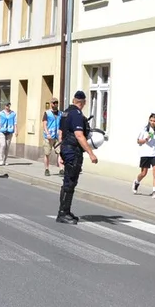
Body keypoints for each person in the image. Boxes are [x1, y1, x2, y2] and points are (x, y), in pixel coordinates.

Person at [56, 91, 97, 224]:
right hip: (73, 151)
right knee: (70, 181)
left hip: (66, 149)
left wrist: (61, 153)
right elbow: (79, 135)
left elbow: (61, 133)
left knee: (68, 180)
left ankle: (65, 211)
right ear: (83, 102)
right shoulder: (77, 115)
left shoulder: (65, 113)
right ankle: (63, 213)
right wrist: (91, 153)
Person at [133, 113, 155, 200]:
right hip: (145, 153)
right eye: (151, 120)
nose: (152, 122)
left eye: (154, 121)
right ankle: (136, 182)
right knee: (143, 173)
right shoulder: (144, 130)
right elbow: (138, 141)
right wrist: (146, 138)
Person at [42, 100, 61, 176]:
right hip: (49, 136)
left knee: (60, 153)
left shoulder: (60, 113)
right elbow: (44, 124)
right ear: (51, 104)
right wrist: (47, 134)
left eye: (56, 103)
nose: (55, 104)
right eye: (53, 103)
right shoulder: (47, 113)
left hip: (57, 136)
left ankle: (61, 169)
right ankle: (47, 169)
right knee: (47, 153)